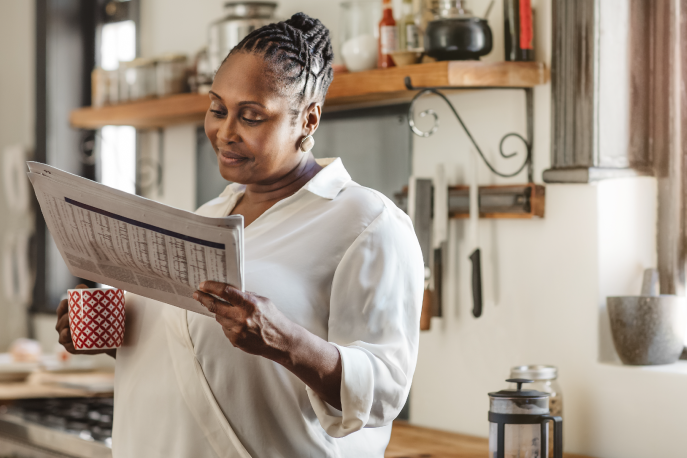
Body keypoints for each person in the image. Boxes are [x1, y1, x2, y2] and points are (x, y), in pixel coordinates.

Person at [55, 12, 423, 458]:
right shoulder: (207, 218)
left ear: (308, 119)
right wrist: (115, 337)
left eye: (251, 116)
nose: (225, 132)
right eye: (217, 109)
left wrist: (286, 342)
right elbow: (197, 357)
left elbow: (385, 390)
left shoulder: (367, 222)